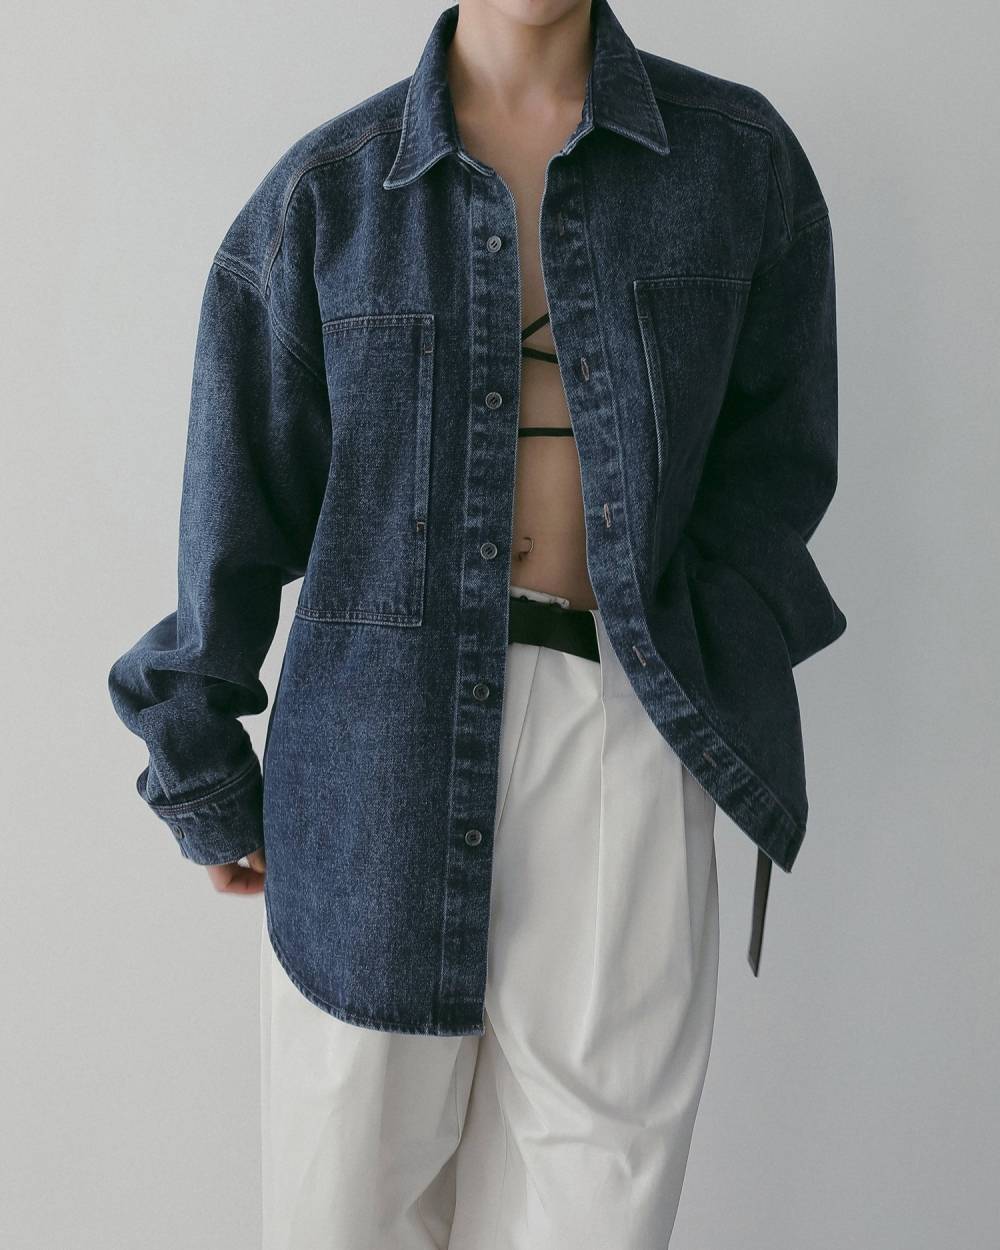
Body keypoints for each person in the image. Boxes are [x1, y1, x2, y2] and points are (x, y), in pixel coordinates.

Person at [107, 0, 847, 1245]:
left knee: (593, 1208)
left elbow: (777, 470)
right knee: (342, 1208)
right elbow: (234, 510)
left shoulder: (738, 163)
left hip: (624, 734)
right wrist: (204, 769)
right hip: (372, 759)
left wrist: (702, 666)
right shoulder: (327, 198)